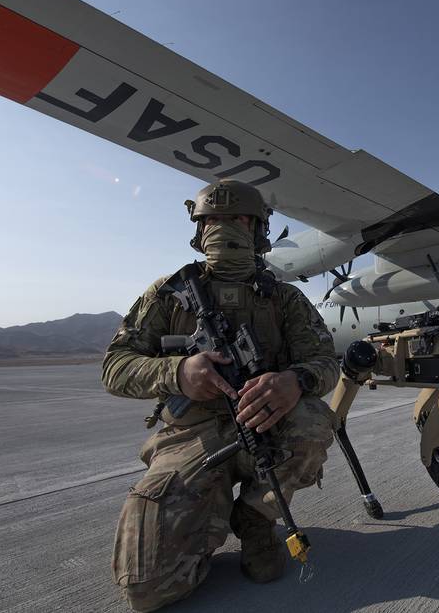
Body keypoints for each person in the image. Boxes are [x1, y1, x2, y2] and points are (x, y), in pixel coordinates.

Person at [101, 179, 340, 611]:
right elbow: (115, 367)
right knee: (146, 588)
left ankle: (255, 517)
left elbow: (325, 362)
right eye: (214, 219)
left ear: (258, 230)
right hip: (190, 435)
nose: (225, 228)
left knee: (313, 420)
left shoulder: (284, 299)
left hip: (263, 424)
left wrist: (295, 380)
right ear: (200, 229)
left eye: (239, 219)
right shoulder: (169, 294)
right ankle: (204, 515)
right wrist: (177, 372)